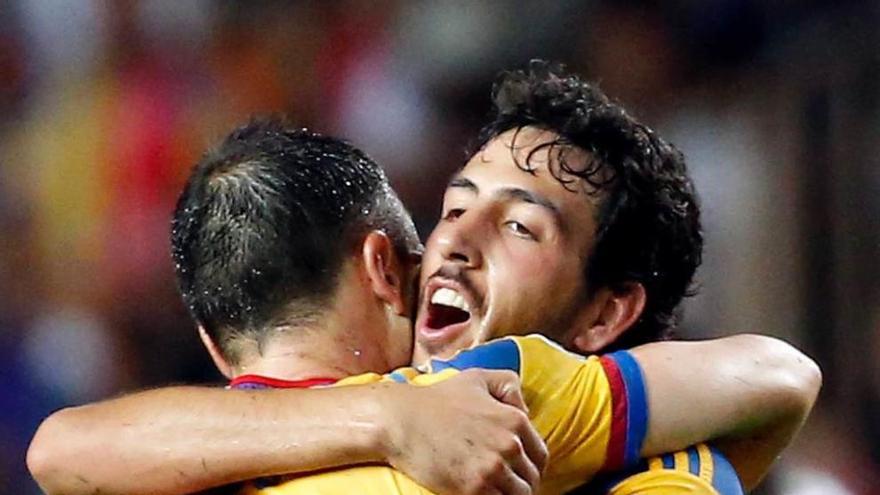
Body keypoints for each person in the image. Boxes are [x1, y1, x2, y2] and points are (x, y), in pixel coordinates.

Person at [28, 62, 820, 495]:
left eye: (518, 225)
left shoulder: (535, 396)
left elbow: (783, 375)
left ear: (608, 314)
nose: (453, 244)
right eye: (452, 206)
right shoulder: (264, 437)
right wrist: (389, 415)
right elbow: (60, 446)